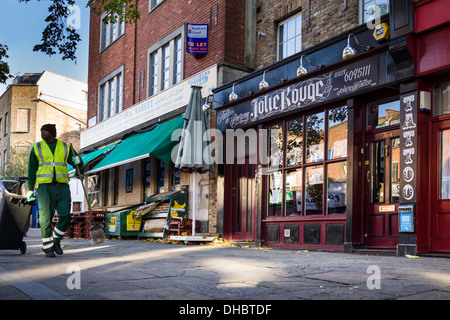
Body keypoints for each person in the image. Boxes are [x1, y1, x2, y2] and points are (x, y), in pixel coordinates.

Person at [27, 124, 84, 258]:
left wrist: (78, 160)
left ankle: (56, 240)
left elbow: (78, 164)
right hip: (44, 188)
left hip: (62, 186)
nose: (42, 134)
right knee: (45, 218)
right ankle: (48, 248)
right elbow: (31, 169)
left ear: (52, 133)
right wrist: (30, 189)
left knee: (65, 215)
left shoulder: (65, 147)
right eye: (41, 131)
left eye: (44, 131)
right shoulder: (37, 147)